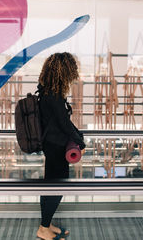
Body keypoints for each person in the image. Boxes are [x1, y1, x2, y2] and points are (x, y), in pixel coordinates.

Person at [36, 52, 86, 240]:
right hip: (55, 146)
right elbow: (63, 124)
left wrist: (79, 136)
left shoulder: (46, 90)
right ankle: (43, 228)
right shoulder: (53, 95)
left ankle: (47, 224)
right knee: (56, 186)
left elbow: (63, 121)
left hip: (53, 144)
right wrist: (80, 142)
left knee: (51, 184)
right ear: (63, 71)